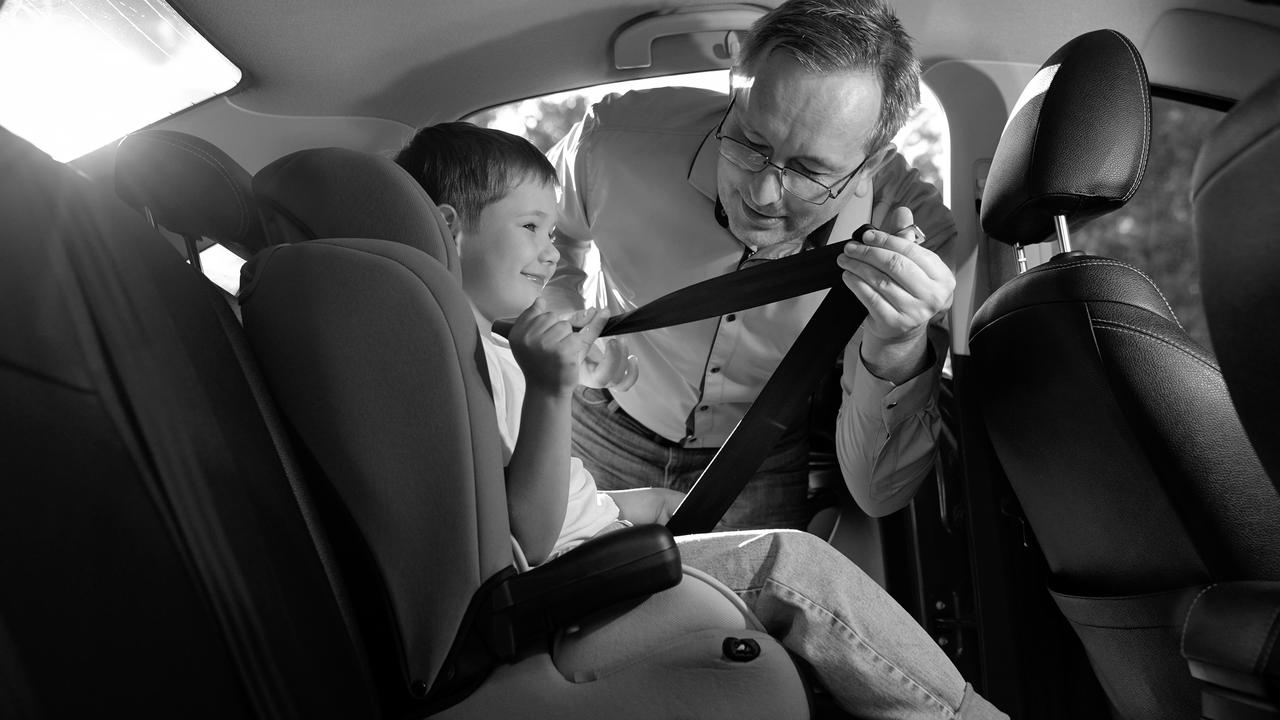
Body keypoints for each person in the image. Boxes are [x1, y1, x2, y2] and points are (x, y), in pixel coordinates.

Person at [394, 122, 1004, 719]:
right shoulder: (468, 369)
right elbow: (527, 540)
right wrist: (553, 392)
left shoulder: (487, 353)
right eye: (530, 227)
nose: (552, 251)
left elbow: (518, 498)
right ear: (448, 228)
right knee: (793, 566)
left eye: (552, 231)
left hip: (596, 548)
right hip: (570, 585)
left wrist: (630, 505)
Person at [544, 0, 955, 530]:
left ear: (869, 164)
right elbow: (550, 234)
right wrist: (565, 320)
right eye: (751, 140)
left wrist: (899, 344)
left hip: (759, 457)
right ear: (737, 90)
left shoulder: (911, 242)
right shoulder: (612, 142)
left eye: (810, 171)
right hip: (600, 422)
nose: (762, 194)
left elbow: (877, 495)